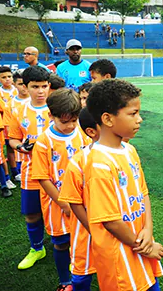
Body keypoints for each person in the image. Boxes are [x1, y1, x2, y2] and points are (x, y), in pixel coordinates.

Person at [85, 79, 163, 290]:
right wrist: (146, 248)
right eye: (133, 113)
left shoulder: (129, 150)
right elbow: (110, 221)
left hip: (140, 244)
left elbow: (143, 194)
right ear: (108, 119)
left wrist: (148, 229)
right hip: (120, 256)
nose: (139, 119)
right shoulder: (99, 164)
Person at [31, 88, 90, 290]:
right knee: (62, 241)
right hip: (58, 204)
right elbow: (42, 177)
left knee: (83, 238)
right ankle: (65, 281)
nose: (70, 126)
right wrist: (63, 202)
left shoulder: (82, 134)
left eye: (74, 120)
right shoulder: (43, 142)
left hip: (82, 200)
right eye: (64, 122)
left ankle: (86, 270)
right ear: (51, 116)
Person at [8, 66, 52, 270]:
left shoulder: (58, 106)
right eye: (35, 87)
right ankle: (37, 248)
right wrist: (20, 147)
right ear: (25, 87)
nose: (41, 91)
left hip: (59, 171)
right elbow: (13, 138)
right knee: (32, 214)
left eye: (44, 86)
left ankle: (72, 249)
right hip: (31, 170)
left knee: (68, 211)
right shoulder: (17, 109)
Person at [58, 107, 99, 290]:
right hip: (85, 230)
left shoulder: (128, 152)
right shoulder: (79, 161)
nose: (138, 120)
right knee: (81, 275)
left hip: (119, 228)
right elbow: (73, 202)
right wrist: (92, 228)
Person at [3, 69, 30, 184]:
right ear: (14, 84)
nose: (24, 87)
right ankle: (15, 171)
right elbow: (10, 130)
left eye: (26, 84)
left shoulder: (39, 101)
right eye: (20, 84)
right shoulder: (10, 105)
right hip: (21, 149)